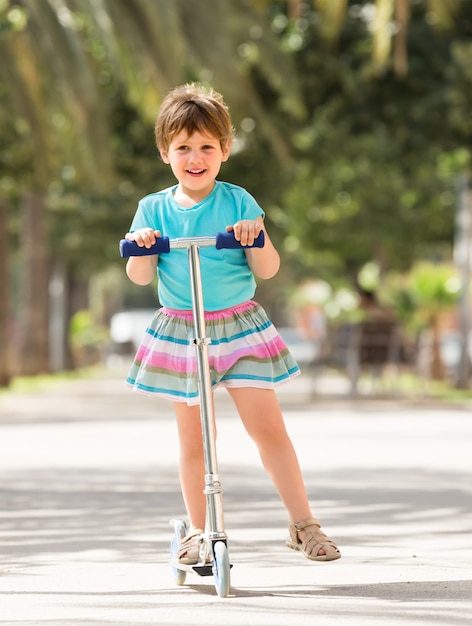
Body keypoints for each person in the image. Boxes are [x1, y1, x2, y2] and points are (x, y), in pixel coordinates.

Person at [123, 83, 341, 564]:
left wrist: (253, 237)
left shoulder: (239, 201)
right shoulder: (153, 209)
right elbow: (139, 276)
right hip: (182, 330)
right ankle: (199, 531)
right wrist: (141, 244)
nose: (195, 157)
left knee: (268, 428)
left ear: (224, 149)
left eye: (206, 147)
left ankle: (303, 523)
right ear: (166, 152)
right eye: (183, 147)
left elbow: (268, 269)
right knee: (196, 436)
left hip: (238, 327)